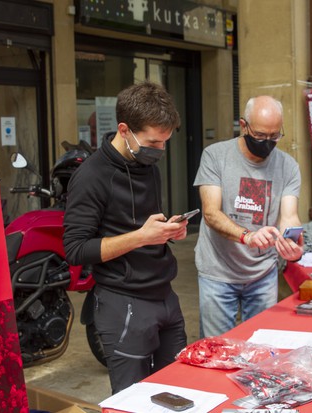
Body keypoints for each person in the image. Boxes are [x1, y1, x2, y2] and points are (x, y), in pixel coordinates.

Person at [62, 81, 188, 394]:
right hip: (124, 304)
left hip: (165, 295)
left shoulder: (148, 166)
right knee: (134, 400)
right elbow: (76, 249)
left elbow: (140, 223)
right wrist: (143, 237)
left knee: (181, 390)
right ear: (124, 129)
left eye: (164, 142)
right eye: (153, 142)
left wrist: (166, 231)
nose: (159, 150)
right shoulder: (90, 176)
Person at [193, 95, 303, 338]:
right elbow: (211, 213)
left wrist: (292, 241)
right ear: (243, 126)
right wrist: (248, 237)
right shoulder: (215, 156)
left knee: (261, 348)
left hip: (262, 273)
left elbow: (289, 216)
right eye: (260, 136)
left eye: (274, 137)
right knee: (217, 350)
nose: (267, 143)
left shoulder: (288, 166)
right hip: (218, 272)